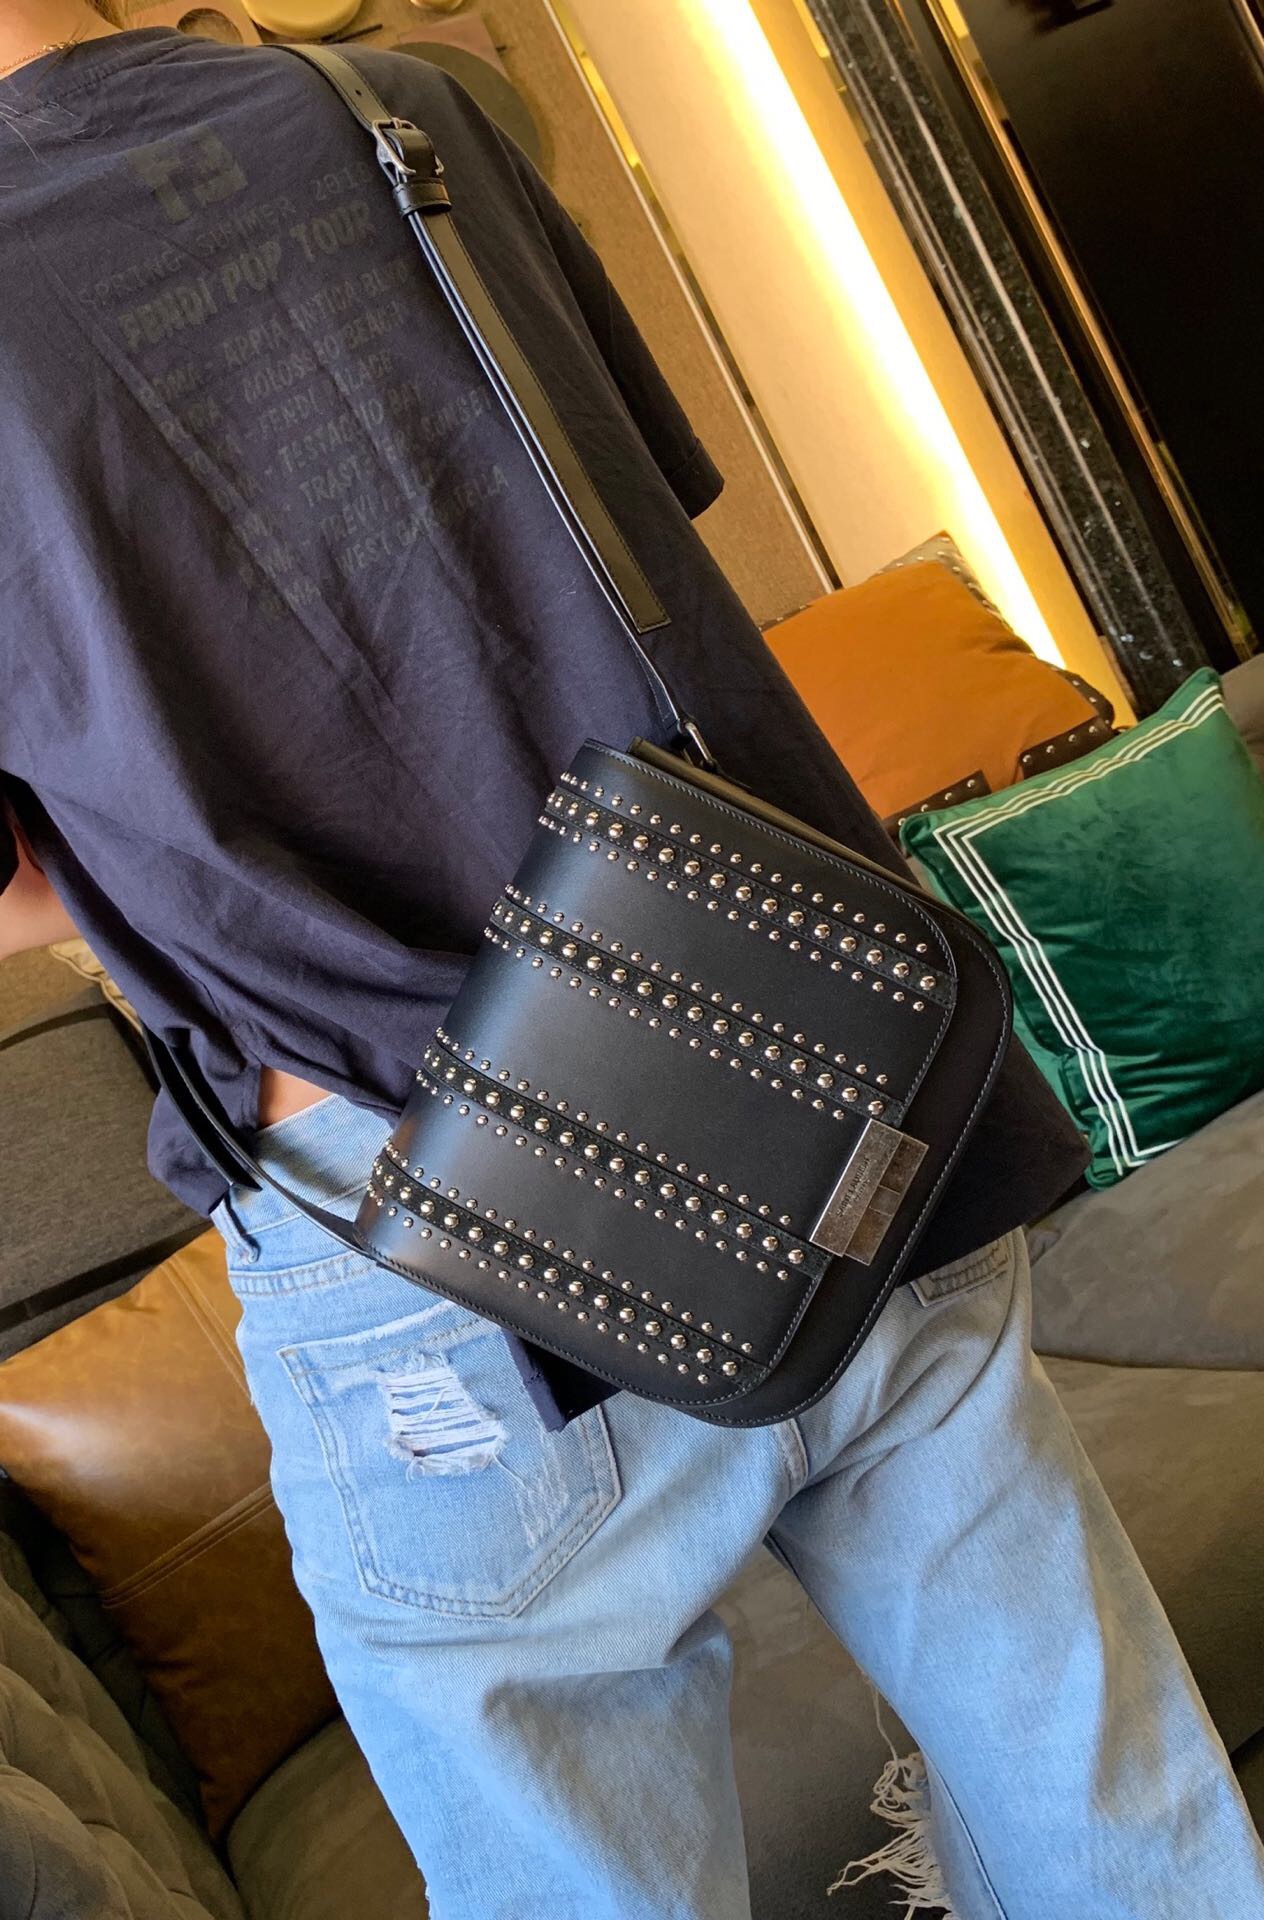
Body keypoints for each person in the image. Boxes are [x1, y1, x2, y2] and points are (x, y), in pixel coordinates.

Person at [2, 7, 1261, 1915]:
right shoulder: (405, 107)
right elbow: (613, 539)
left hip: (424, 1209)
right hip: (801, 1054)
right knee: (1117, 1815)